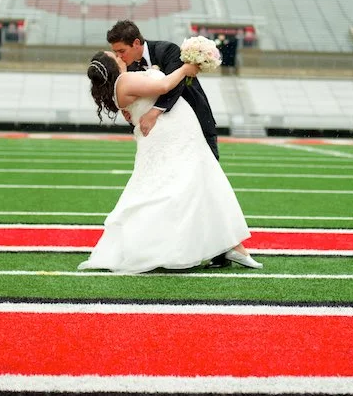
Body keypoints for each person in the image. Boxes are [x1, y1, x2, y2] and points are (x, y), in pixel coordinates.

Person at [80, 50, 262, 274]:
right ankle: (219, 247)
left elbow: (153, 86)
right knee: (191, 188)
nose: (121, 57)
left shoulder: (125, 82)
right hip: (173, 139)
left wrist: (154, 71)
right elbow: (164, 87)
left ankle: (232, 246)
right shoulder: (124, 80)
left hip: (176, 136)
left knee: (195, 187)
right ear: (112, 65)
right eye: (116, 56)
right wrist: (186, 69)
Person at [106, 19, 228, 267]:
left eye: (122, 51)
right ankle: (176, 247)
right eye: (116, 52)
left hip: (196, 125)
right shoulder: (128, 69)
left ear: (137, 43)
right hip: (167, 138)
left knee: (206, 180)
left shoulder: (168, 50)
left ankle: (222, 249)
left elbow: (176, 85)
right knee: (173, 191)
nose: (120, 56)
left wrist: (155, 111)